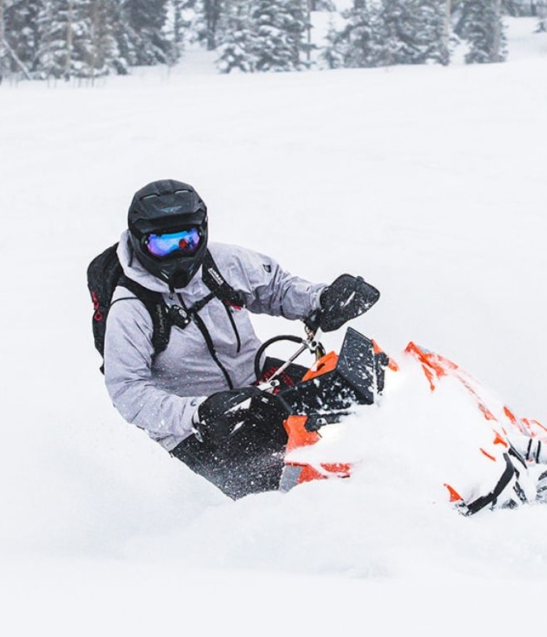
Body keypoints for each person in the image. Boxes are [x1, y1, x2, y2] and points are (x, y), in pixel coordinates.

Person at [102, 179, 362, 499]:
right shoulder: (130, 309)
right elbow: (128, 391)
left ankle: (407, 458)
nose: (177, 256)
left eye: (187, 242)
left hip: (258, 381)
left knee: (356, 404)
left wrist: (321, 300)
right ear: (140, 241)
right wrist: (198, 413)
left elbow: (276, 287)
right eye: (163, 245)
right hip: (196, 427)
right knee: (288, 492)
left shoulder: (222, 264)